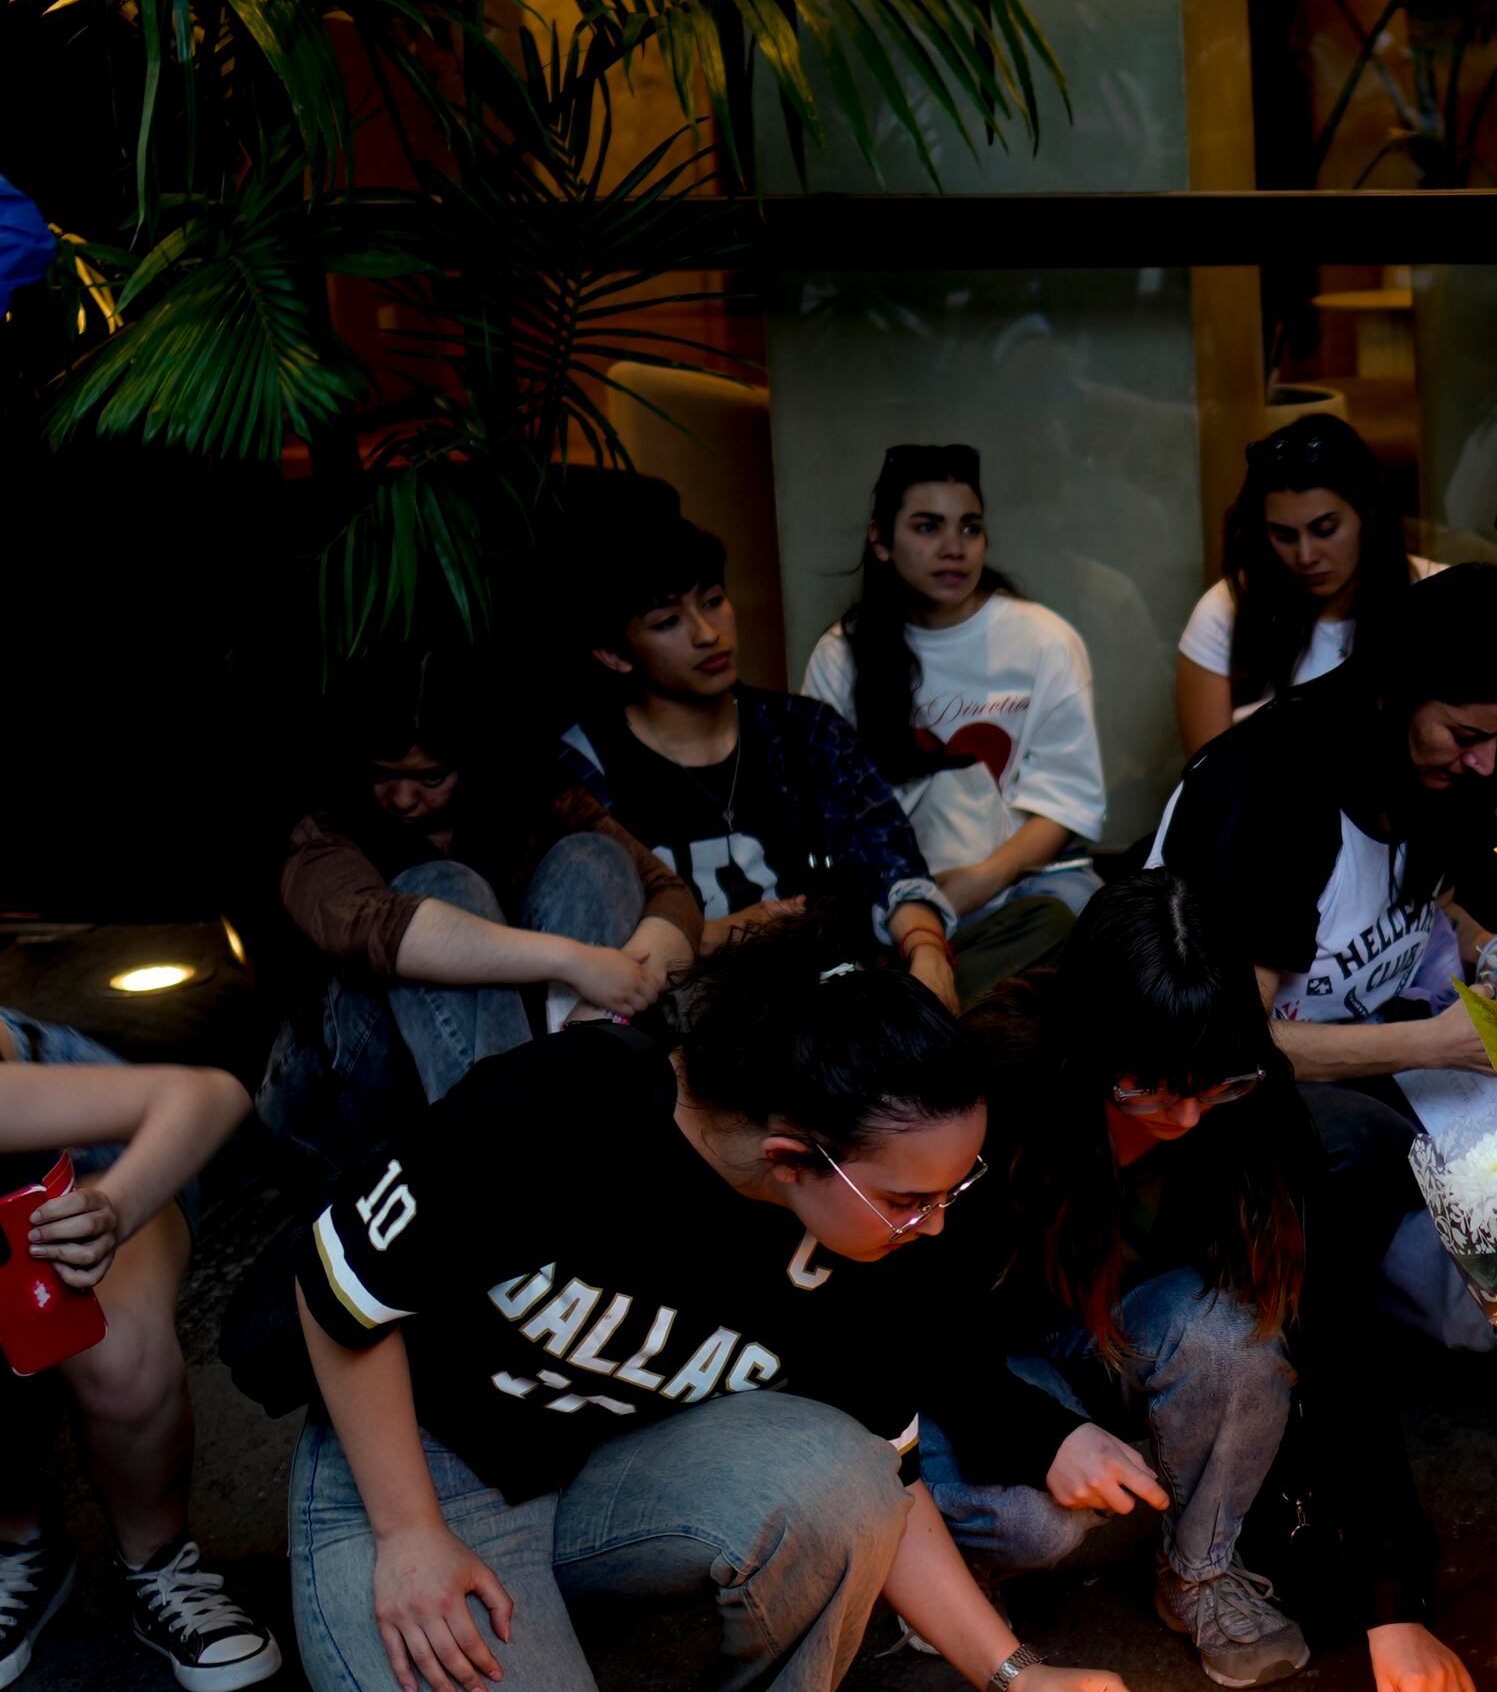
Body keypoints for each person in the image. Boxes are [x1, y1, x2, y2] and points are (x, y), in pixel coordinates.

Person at [286, 942, 1150, 1692]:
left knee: (837, 1474)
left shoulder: (868, 1250)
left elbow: (885, 1479)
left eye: (952, 1187)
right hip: (424, 1465)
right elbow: (340, 1288)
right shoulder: (564, 1104)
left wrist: (1012, 1673)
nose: (935, 1225)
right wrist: (409, 1533)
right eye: (908, 1199)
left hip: (620, 1457)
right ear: (790, 1155)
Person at [919, 879, 1475, 1692]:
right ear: (1090, 1046)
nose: (1182, 1118)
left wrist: (1392, 1602)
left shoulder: (1248, 1092)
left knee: (1239, 1334)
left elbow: (1333, 1330)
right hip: (983, 1346)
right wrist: (1042, 1437)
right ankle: (946, 1577)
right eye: (1147, 1089)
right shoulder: (996, 1085)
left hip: (1128, 1325)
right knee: (1035, 1520)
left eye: (1207, 1087)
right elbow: (913, 1325)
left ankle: (1199, 1570)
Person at [1142, 562, 1497, 1346]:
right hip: (1202, 1098)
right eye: (1467, 735)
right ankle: (1310, 1356)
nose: (1483, 763)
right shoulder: (1274, 792)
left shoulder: (1422, 769)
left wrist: (1486, 946)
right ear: (1392, 692)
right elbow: (1225, 1042)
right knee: (1361, 1144)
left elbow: (1415, 892)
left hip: (1361, 1036)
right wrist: (1434, 1044)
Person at [260, 655, 699, 1167]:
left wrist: (616, 992)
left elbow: (670, 892)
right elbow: (378, 927)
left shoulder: (532, 799)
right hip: (351, 1086)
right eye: (384, 776)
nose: (403, 798)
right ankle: (500, 1165)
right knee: (443, 888)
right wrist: (575, 962)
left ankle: (579, 1107)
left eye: (430, 777)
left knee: (595, 859)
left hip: (530, 1051)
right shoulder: (325, 831)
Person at [557, 490, 960, 1009]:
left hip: (838, 993)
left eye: (713, 601)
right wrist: (724, 933)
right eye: (667, 623)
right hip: (688, 1011)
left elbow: (891, 862)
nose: (708, 634)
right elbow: (601, 935)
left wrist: (926, 951)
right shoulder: (586, 764)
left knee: (1038, 920)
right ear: (614, 655)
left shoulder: (804, 729)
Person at [0, 1041, 275, 1692]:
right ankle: (21, 1537)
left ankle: (158, 1563)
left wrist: (116, 1209)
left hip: (106, 1154)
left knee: (117, 1352)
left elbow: (210, 1093)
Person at [802, 445, 1106, 1006]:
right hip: (891, 900)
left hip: (1023, 883)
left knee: (1091, 924)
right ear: (880, 540)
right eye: (927, 527)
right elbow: (834, 817)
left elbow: (1068, 800)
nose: (953, 548)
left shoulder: (1042, 639)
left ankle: (915, 1017)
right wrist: (918, 906)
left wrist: (982, 880)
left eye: (970, 527)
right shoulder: (840, 655)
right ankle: (927, 1010)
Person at [1175, 416, 1448, 756]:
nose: (1305, 556)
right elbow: (1208, 787)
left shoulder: (1440, 599)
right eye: (1284, 535)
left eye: (1325, 529)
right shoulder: (1225, 612)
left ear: (1368, 514)